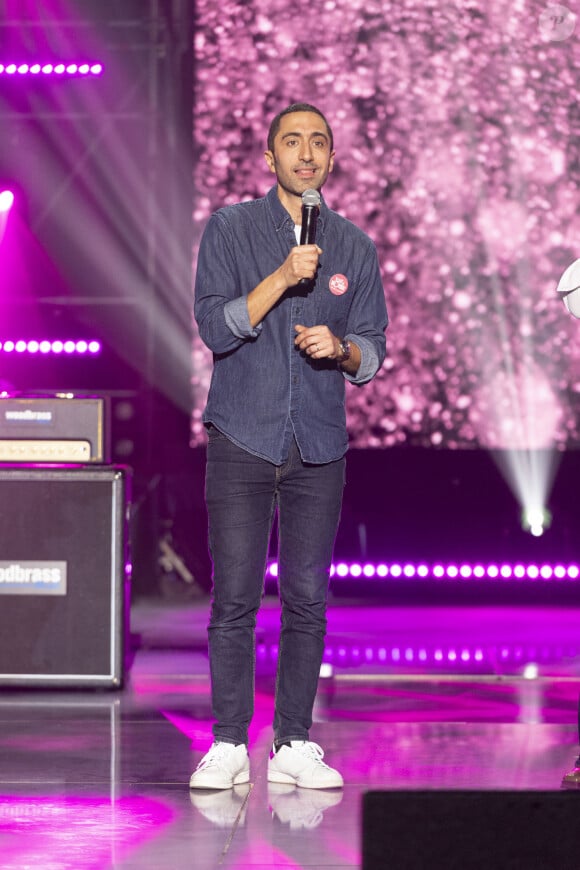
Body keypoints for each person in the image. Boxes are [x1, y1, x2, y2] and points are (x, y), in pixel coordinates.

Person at [190, 102, 388, 791]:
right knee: (235, 598)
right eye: (292, 143)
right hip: (242, 433)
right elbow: (215, 327)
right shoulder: (231, 229)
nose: (306, 154)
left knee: (307, 597)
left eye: (319, 143)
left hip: (318, 445)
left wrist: (343, 349)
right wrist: (282, 276)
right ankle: (227, 743)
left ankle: (294, 742)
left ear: (331, 160)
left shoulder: (355, 247)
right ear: (269, 158)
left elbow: (375, 350)